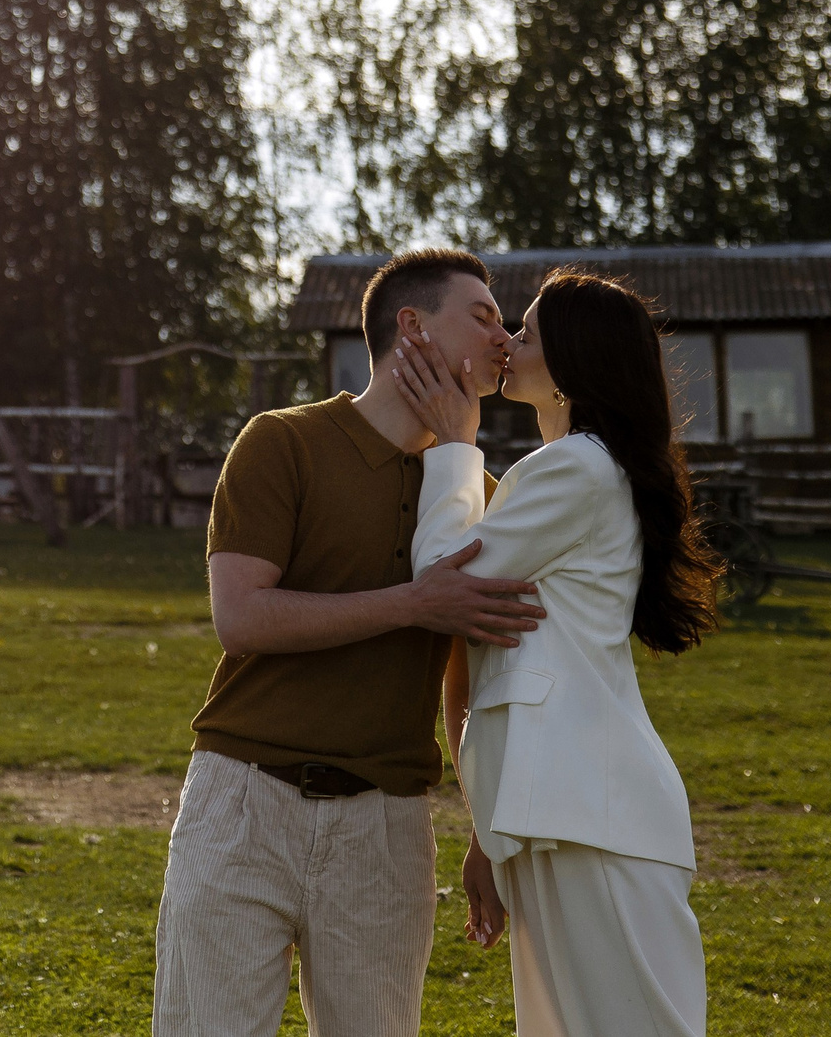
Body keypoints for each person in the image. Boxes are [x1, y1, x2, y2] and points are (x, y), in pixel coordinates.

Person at [151, 248, 546, 1037]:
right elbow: (243, 617)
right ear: (412, 326)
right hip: (241, 801)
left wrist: (484, 831)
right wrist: (412, 602)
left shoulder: (483, 496)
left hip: (386, 828)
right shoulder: (281, 442)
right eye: (483, 315)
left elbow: (478, 683)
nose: (505, 336)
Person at [389, 268, 719, 1037]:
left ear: (575, 361)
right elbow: (496, 647)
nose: (506, 340)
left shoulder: (576, 467)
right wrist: (486, 832)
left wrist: (456, 445)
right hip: (566, 814)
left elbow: (443, 574)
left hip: (593, 816)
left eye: (526, 331)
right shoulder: (579, 470)